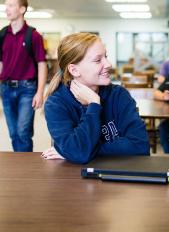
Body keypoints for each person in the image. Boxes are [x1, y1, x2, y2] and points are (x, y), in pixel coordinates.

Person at [42, 33, 149, 164]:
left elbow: (140, 146)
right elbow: (79, 153)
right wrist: (94, 105)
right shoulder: (56, 104)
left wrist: (76, 151)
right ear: (74, 70)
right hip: (74, 180)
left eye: (106, 57)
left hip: (119, 176)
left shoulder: (119, 95)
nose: (109, 64)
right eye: (98, 60)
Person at [0, 0, 47, 152]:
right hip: (6, 89)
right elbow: (1, 63)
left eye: (11, 5)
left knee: (23, 132)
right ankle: (19, 165)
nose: (7, 9)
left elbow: (42, 64)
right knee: (14, 133)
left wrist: (40, 92)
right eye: (6, 5)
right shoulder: (2, 34)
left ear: (22, 9)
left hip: (27, 89)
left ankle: (26, 169)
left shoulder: (33, 36)